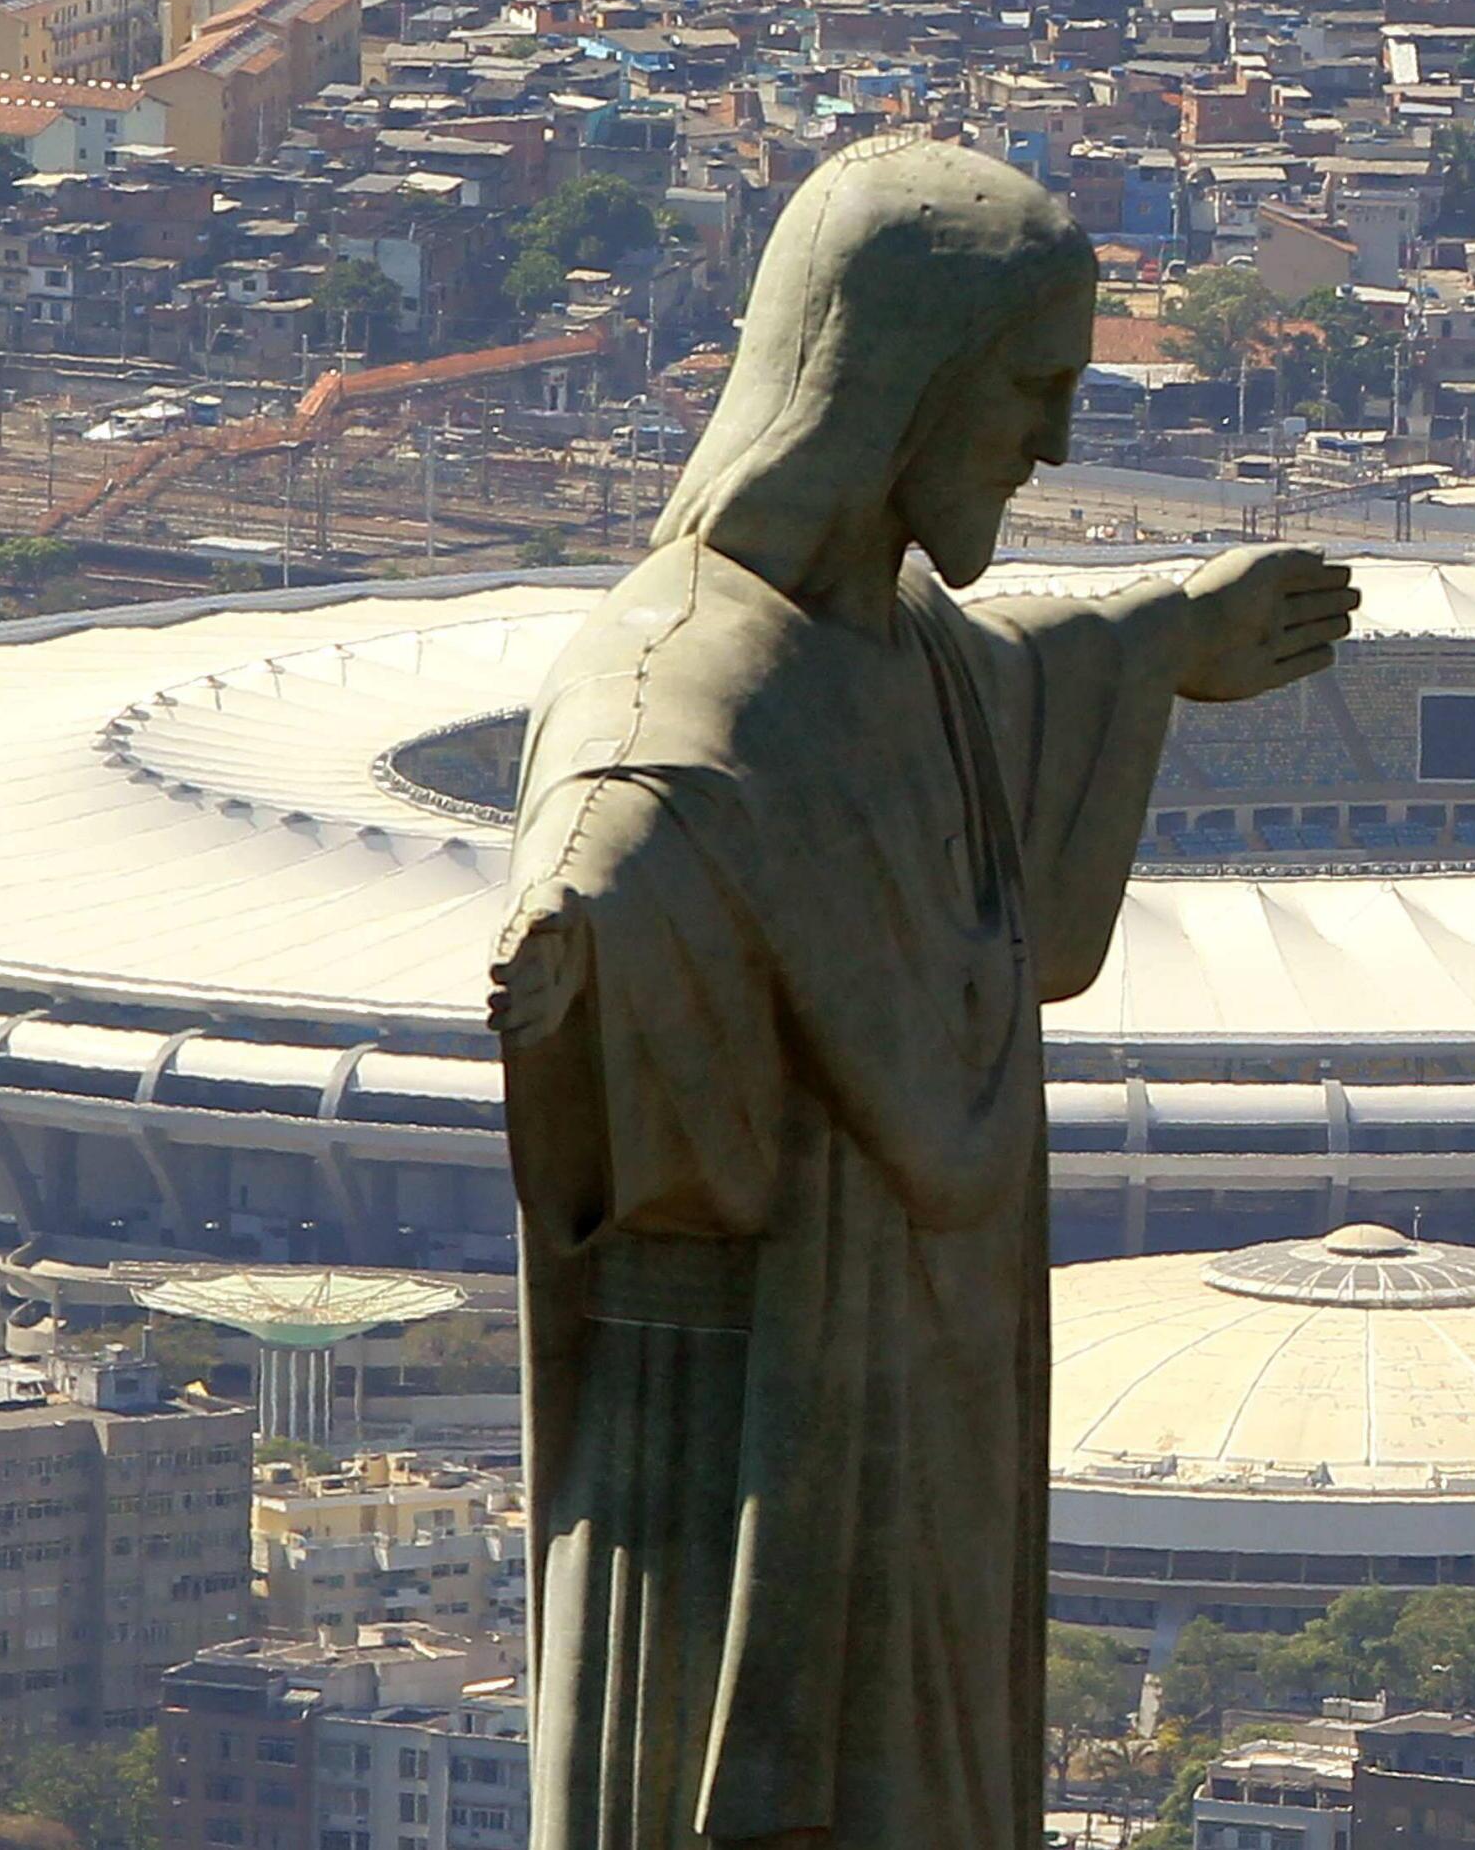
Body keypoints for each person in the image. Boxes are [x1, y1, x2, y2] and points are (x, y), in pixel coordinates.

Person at [490, 137, 1352, 1850]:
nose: (1054, 443)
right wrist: (577, 928)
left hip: (923, 1387)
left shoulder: (888, 633)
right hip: (762, 1408)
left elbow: (1000, 671)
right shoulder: (684, 683)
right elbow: (623, 809)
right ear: (892, 385)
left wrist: (1163, 633)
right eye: (1031, 390)